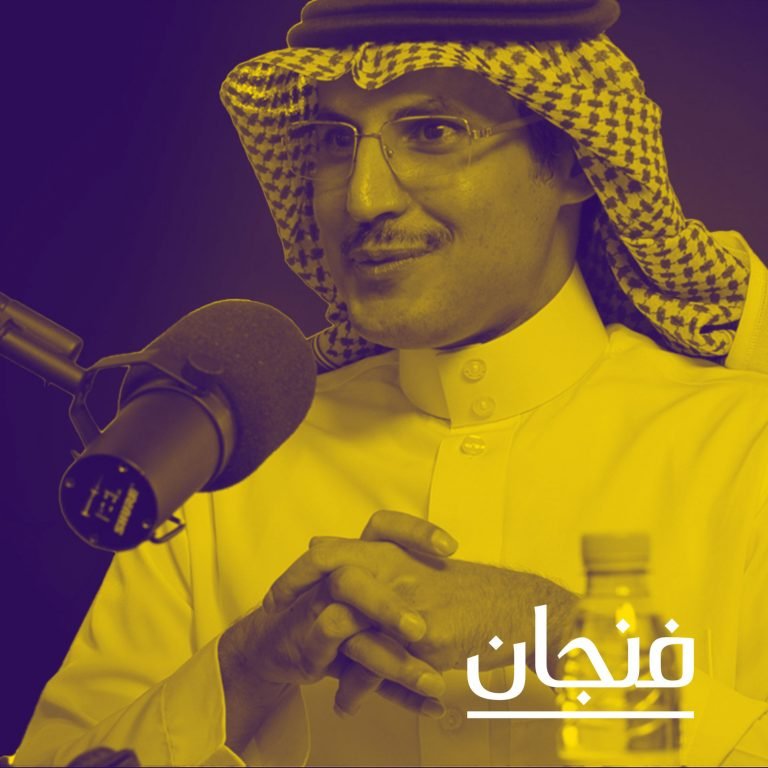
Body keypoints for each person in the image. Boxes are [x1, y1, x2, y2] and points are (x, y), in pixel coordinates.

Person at [13, 0, 768, 765]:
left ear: (573, 158)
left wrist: (564, 637)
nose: (364, 197)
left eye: (433, 132)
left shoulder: (746, 452)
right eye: (335, 141)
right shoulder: (226, 468)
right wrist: (245, 669)